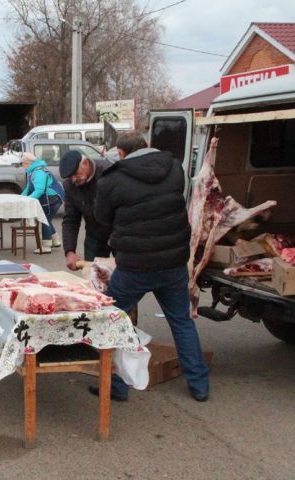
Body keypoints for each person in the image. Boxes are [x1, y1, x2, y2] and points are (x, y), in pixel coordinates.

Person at [93, 131, 210, 402]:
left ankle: (115, 386)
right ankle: (199, 385)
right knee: (181, 321)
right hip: (173, 262)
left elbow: (102, 218)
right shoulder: (174, 168)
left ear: (120, 153)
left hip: (135, 265)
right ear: (146, 146)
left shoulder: (112, 180)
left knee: (111, 319)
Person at [58, 149, 113, 270]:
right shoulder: (70, 186)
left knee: (123, 279)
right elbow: (71, 220)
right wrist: (70, 251)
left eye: (75, 174)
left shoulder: (109, 173)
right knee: (92, 275)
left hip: (118, 234)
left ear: (86, 164)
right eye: (70, 177)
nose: (73, 179)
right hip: (94, 235)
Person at [20, 152, 65, 254]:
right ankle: (56, 240)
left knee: (45, 220)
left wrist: (28, 200)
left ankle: (46, 246)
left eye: (23, 164)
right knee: (47, 219)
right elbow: (28, 188)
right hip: (52, 197)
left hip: (53, 198)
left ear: (28, 163)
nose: (22, 166)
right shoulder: (33, 171)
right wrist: (20, 198)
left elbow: (39, 190)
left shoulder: (38, 172)